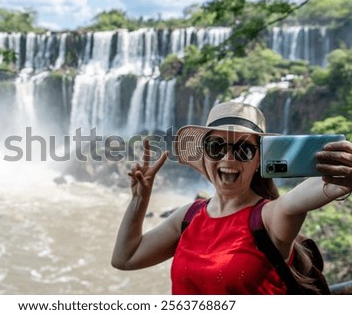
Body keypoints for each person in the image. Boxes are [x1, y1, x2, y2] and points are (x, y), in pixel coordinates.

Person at [111, 102, 352, 294]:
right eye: (217, 147)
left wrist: (340, 178)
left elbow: (306, 196)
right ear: (204, 155)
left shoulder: (269, 217)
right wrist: (139, 199)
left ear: (260, 161)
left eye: (243, 150)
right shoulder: (189, 216)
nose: (228, 158)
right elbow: (125, 258)